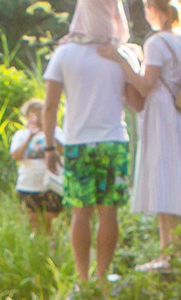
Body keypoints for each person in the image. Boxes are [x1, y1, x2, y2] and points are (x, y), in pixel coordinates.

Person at [107, 0, 181, 254]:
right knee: (180, 177)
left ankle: (167, 251)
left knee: (163, 177)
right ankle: (179, 250)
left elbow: (146, 85)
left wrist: (122, 60)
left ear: (152, 9)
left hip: (161, 111)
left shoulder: (157, 42)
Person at [41, 33, 133, 285]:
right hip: (113, 140)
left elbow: (50, 105)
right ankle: (102, 278)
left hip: (77, 142)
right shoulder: (119, 52)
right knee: (108, 213)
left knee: (80, 214)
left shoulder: (64, 53)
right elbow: (136, 99)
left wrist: (49, 147)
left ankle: (83, 280)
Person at [8, 97, 64, 236]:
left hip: (52, 185)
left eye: (40, 112)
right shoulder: (21, 135)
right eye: (33, 113)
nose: (37, 116)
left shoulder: (57, 132)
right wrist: (30, 137)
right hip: (28, 186)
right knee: (33, 225)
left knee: (51, 224)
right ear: (27, 116)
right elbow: (16, 156)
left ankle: (52, 252)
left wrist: (48, 130)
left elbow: (64, 151)